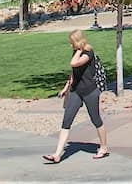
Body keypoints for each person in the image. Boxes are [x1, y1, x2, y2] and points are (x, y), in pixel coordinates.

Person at [42, 30, 109, 164]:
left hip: (90, 91)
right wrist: (66, 88)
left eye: (72, 42)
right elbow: (74, 73)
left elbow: (74, 63)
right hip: (75, 91)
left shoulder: (88, 53)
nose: (70, 45)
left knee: (96, 119)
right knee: (66, 121)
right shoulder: (76, 52)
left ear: (78, 41)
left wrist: (79, 50)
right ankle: (57, 154)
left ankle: (103, 147)